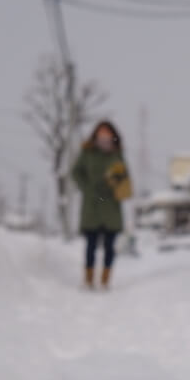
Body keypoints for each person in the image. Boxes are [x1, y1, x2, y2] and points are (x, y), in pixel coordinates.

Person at [71, 120, 132, 289]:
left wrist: (115, 180)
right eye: (101, 131)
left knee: (109, 246)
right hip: (92, 205)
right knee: (90, 244)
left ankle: (105, 279)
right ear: (96, 134)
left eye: (107, 132)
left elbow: (124, 175)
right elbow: (75, 172)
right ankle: (89, 278)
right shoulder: (88, 151)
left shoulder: (116, 153)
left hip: (110, 204)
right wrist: (86, 187)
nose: (104, 135)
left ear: (113, 134)